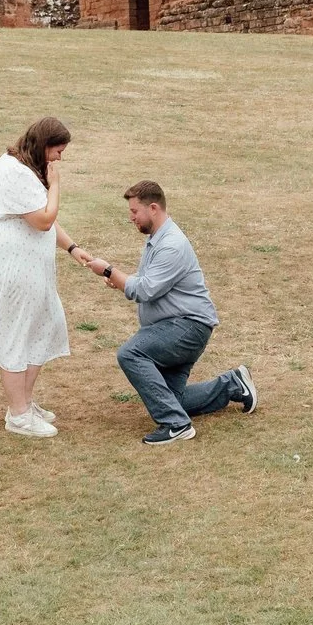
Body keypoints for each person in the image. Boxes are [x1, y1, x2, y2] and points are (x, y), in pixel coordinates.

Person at [75, 179, 255, 445]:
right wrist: (120, 281)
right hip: (176, 328)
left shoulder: (171, 244)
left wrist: (109, 270)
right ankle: (233, 384)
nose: (131, 217)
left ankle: (176, 425)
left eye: (135, 211)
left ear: (154, 208)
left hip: (186, 328)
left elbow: (146, 290)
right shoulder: (157, 240)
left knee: (130, 353)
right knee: (172, 399)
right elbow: (150, 284)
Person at [0, 116, 87, 438]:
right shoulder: (13, 172)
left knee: (45, 325)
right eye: (57, 151)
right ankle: (18, 415)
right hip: (11, 267)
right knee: (17, 334)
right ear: (43, 145)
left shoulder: (28, 168)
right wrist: (56, 184)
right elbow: (43, 219)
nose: (59, 159)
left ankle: (25, 402)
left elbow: (43, 216)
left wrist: (72, 248)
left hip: (31, 267)